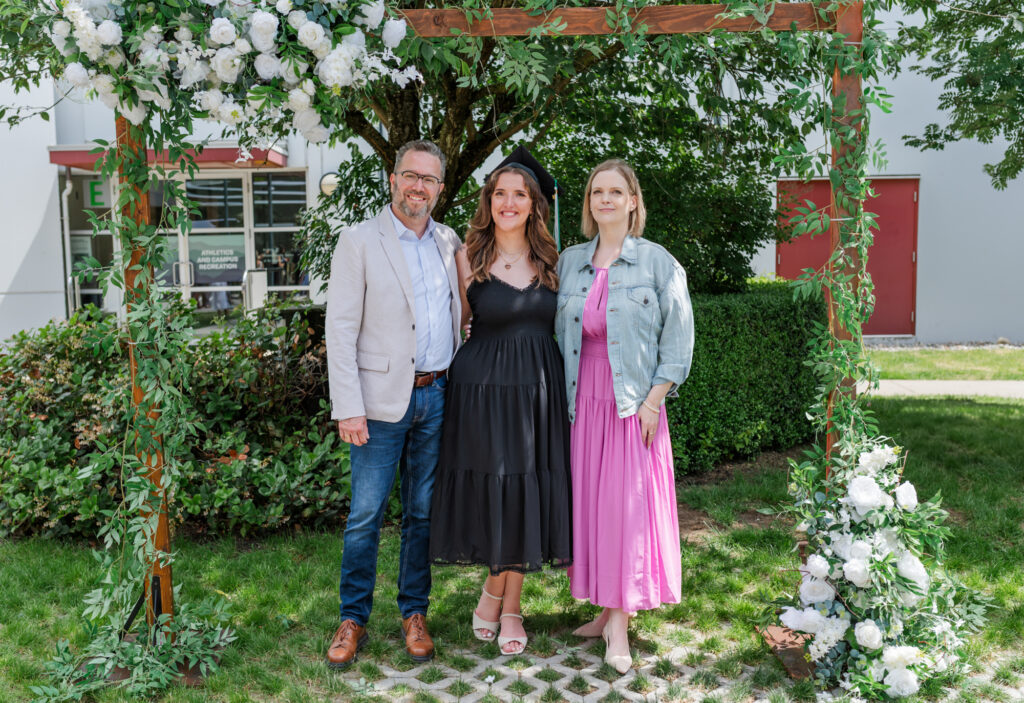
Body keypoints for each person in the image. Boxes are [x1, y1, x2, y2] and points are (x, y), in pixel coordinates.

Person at [429, 147, 573, 656]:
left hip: (537, 390)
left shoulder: (557, 262)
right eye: (499, 194)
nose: (508, 202)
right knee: (498, 489)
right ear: (488, 201)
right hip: (482, 392)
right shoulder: (466, 255)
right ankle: (503, 601)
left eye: (519, 195)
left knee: (525, 490)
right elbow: (453, 325)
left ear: (534, 204)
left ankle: (502, 600)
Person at [325, 140, 462, 670]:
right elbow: (340, 329)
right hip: (378, 403)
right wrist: (348, 406)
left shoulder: (448, 242)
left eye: (428, 180)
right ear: (393, 178)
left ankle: (414, 613)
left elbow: (458, 314)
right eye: (410, 175)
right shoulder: (360, 241)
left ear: (440, 189)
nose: (418, 187)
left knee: (422, 514)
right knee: (365, 515)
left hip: (437, 395)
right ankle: (352, 618)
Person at [554, 159, 694, 674]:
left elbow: (678, 345)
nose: (605, 200)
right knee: (592, 507)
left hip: (632, 404)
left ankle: (618, 625)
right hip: (581, 401)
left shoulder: (659, 263)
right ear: (589, 203)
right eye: (597, 192)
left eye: (616, 192)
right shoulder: (571, 261)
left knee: (625, 512)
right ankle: (602, 607)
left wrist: (654, 402)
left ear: (634, 201)